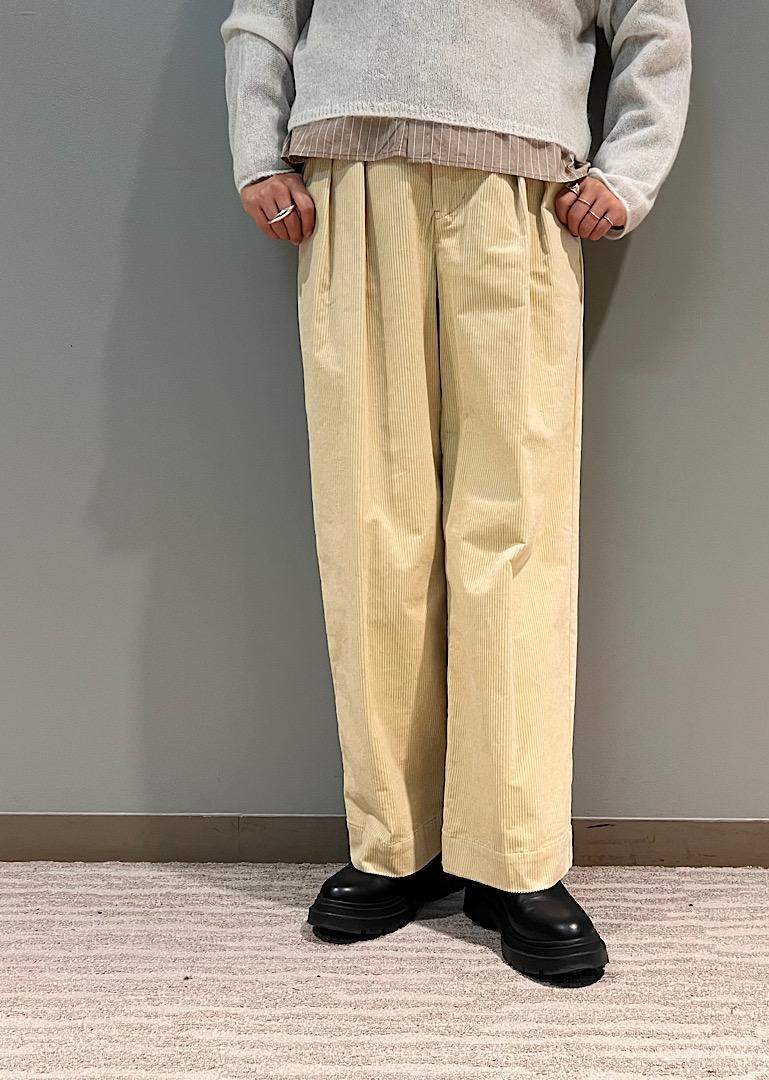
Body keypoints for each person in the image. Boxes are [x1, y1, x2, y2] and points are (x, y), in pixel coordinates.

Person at [221, 0, 691, 984]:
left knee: (516, 523)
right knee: (369, 519)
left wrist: (629, 172)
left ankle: (514, 858)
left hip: (523, 186)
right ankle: (394, 844)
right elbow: (262, 13)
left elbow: (654, 22)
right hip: (348, 177)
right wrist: (258, 153)